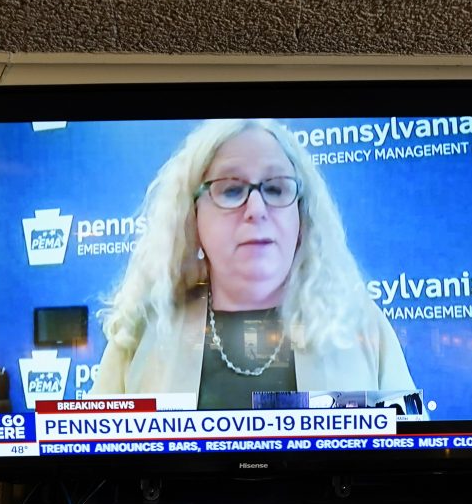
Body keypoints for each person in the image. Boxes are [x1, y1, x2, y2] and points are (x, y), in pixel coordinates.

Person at [93, 117, 415, 408]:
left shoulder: (358, 323)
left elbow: (413, 457)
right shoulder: (144, 330)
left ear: (302, 216)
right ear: (192, 216)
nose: (257, 208)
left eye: (276, 188)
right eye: (232, 190)